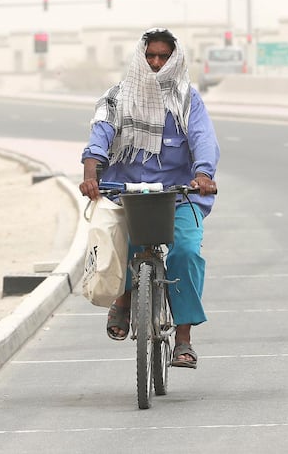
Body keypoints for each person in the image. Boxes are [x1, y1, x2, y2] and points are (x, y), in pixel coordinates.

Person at [79, 28, 220, 369]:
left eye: (164, 56)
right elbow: (99, 135)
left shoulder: (187, 99)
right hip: (125, 193)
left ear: (174, 59)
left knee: (186, 252)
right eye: (150, 56)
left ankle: (183, 340)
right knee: (116, 242)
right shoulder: (117, 97)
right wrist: (90, 173)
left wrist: (203, 174)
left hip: (178, 196)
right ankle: (124, 299)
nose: (156, 63)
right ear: (141, 58)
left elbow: (203, 138)